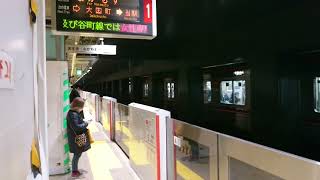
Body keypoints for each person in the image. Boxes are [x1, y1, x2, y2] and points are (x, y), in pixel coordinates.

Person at [67, 97, 91, 178]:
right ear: (78, 107)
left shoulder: (73, 113)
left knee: (77, 154)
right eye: (82, 107)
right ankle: (74, 171)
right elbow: (76, 127)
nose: (82, 109)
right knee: (77, 155)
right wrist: (86, 123)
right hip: (75, 139)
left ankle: (75, 170)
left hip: (74, 137)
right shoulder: (73, 114)